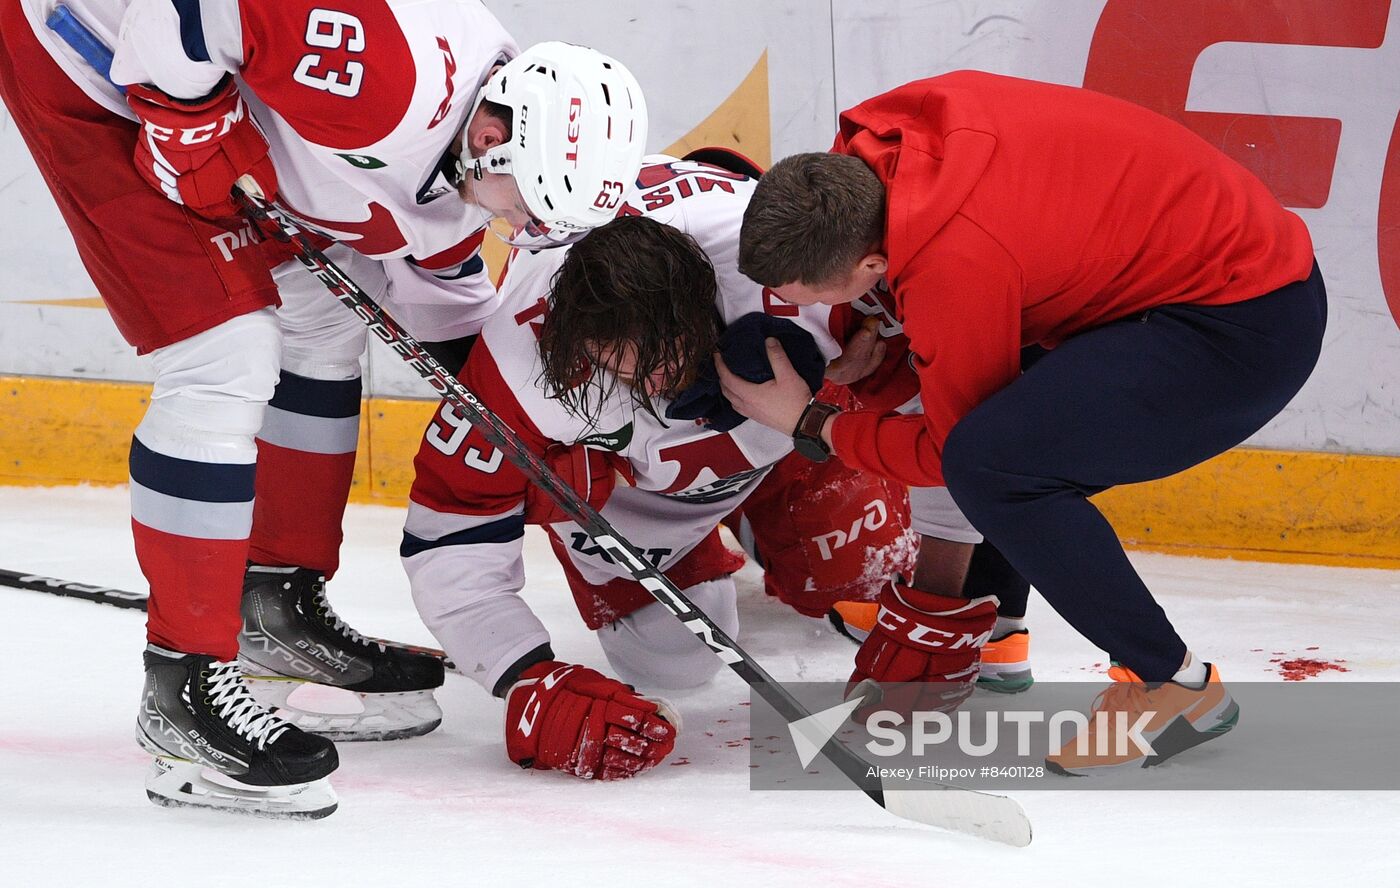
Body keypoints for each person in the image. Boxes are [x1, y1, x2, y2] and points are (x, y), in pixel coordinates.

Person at [0, 0, 646, 815]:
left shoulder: (466, 148)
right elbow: (194, 12)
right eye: (524, 205)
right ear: (491, 137)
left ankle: (272, 605)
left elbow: (440, 293)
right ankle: (183, 690)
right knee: (220, 356)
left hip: (186, 79)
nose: (514, 225)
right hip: (88, 59)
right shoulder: (390, 79)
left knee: (325, 315)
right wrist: (188, 122)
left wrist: (524, 442)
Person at [720, 70, 1326, 774]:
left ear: (873, 261)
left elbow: (948, 454)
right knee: (993, 420)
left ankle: (1172, 684)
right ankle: (997, 625)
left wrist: (812, 423)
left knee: (994, 463)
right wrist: (873, 322)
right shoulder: (878, 145)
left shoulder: (958, 260)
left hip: (1241, 327)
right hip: (1195, 261)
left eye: (816, 296)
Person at [402, 154, 917, 781]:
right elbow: (448, 528)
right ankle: (683, 532)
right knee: (675, 665)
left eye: (668, 357)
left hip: (784, 429)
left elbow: (940, 367)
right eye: (622, 368)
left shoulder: (785, 272)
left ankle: (774, 495)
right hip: (648, 491)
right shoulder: (519, 367)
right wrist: (523, 675)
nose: (652, 381)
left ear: (712, 301)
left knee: (866, 574)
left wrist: (873, 368)